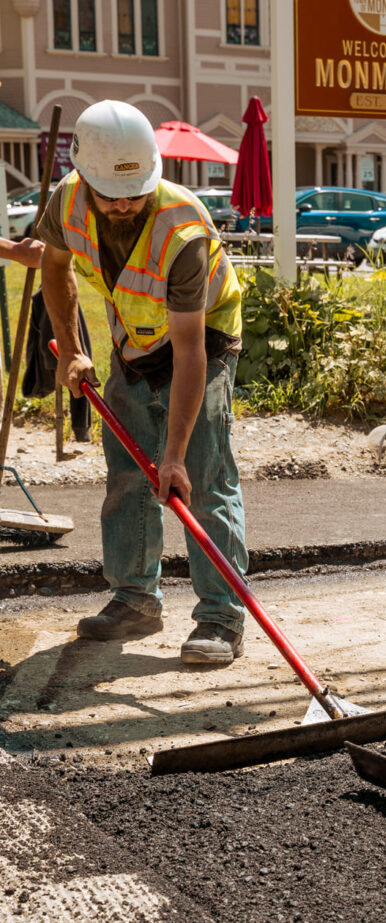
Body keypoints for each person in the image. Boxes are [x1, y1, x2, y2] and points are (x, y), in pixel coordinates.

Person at [36, 99, 247, 665]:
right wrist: (74, 351)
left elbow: (189, 352)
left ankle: (221, 617)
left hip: (205, 340)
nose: (126, 201)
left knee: (201, 476)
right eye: (112, 193)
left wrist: (174, 454)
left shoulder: (183, 229)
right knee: (128, 475)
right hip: (133, 335)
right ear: (83, 175)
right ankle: (135, 600)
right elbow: (54, 269)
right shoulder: (67, 201)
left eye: (136, 189)